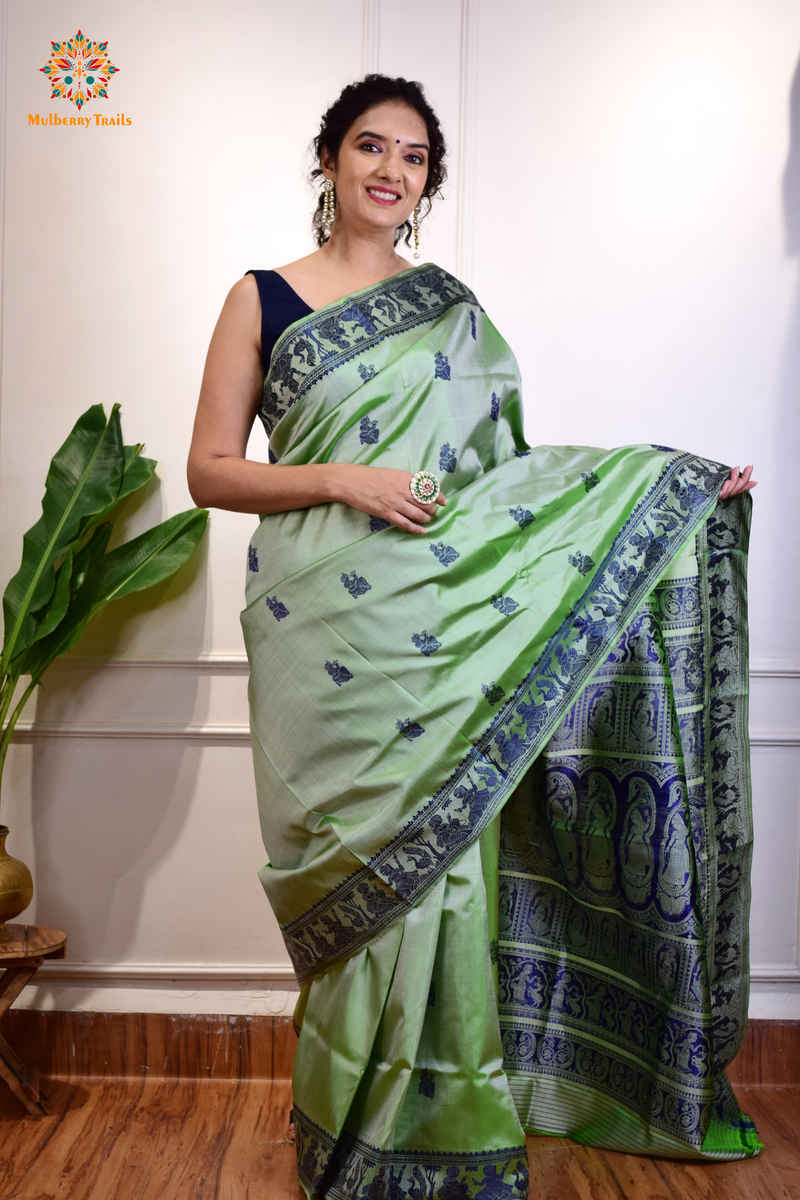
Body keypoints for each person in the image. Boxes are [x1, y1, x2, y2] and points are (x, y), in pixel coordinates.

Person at [187, 74, 759, 1200]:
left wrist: (669, 486)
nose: (388, 170)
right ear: (329, 159)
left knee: (446, 872)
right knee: (361, 875)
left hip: (443, 632)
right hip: (325, 626)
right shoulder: (263, 298)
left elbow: (507, 488)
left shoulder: (451, 310)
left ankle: (443, 1120)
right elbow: (211, 468)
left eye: (411, 157)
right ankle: (348, 1119)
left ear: (426, 184)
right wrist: (343, 475)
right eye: (369, 146)